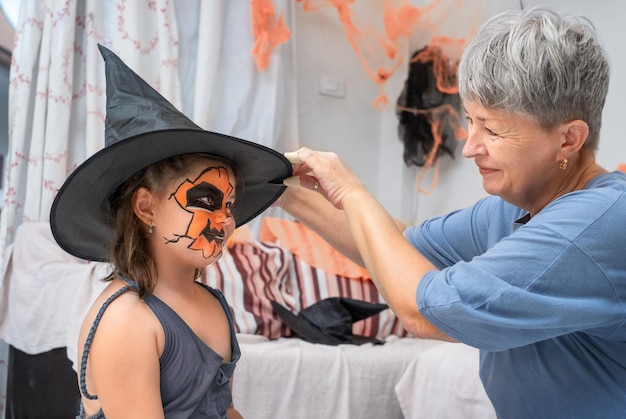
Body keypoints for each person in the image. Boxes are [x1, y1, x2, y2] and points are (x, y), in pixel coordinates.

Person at [278, 6, 626, 418]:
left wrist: (353, 192)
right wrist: (280, 190)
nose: (469, 146)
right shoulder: (512, 209)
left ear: (569, 139)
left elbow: (426, 310)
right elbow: (395, 249)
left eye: (491, 129)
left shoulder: (596, 224)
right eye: (470, 121)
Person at [49, 45, 291, 418]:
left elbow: (222, 410)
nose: (225, 221)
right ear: (146, 207)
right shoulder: (127, 319)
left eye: (228, 206)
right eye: (207, 201)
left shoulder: (213, 305)